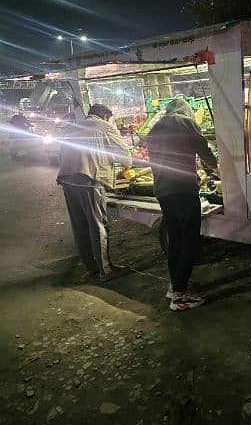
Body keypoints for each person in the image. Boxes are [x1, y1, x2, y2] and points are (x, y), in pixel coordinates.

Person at [146, 98, 218, 311]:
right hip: (183, 189)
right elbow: (203, 148)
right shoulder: (185, 122)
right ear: (185, 110)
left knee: (175, 238)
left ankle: (174, 285)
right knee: (190, 240)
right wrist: (214, 167)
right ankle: (180, 296)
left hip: (163, 190)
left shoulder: (156, 127)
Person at [57, 104, 132, 281]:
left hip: (67, 179)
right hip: (87, 179)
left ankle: (90, 267)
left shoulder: (73, 126)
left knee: (80, 224)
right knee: (97, 224)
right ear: (106, 116)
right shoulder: (104, 126)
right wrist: (125, 168)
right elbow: (124, 155)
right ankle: (106, 270)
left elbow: (60, 154)